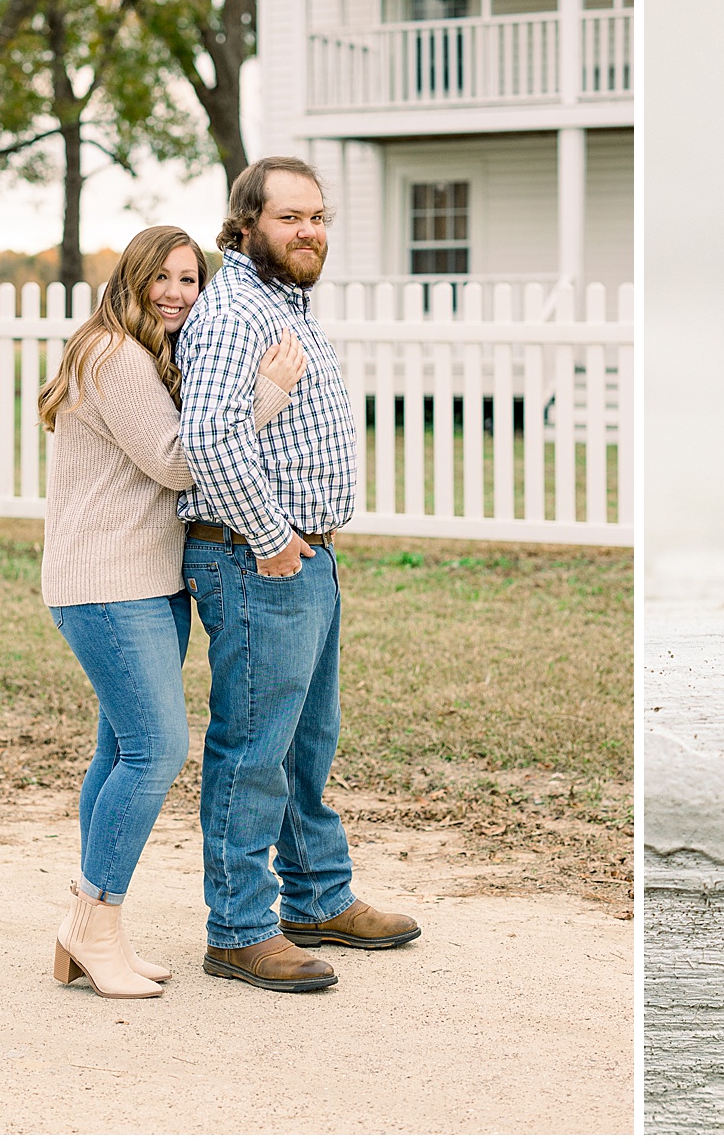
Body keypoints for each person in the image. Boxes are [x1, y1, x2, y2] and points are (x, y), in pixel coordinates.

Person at [38, 225, 307, 999]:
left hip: (145, 580)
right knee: (157, 750)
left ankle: (88, 927)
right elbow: (176, 460)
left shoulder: (144, 353)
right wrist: (266, 394)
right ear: (131, 278)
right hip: (107, 583)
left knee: (120, 751)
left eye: (190, 280)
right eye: (162, 277)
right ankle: (94, 928)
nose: (176, 293)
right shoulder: (112, 354)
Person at [176, 156, 420, 994]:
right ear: (246, 224)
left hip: (306, 554)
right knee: (254, 748)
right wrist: (273, 533)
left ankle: (317, 898)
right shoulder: (234, 311)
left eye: (317, 217)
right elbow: (209, 437)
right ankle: (240, 930)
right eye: (290, 218)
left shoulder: (288, 304)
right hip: (256, 557)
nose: (309, 231)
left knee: (308, 741)